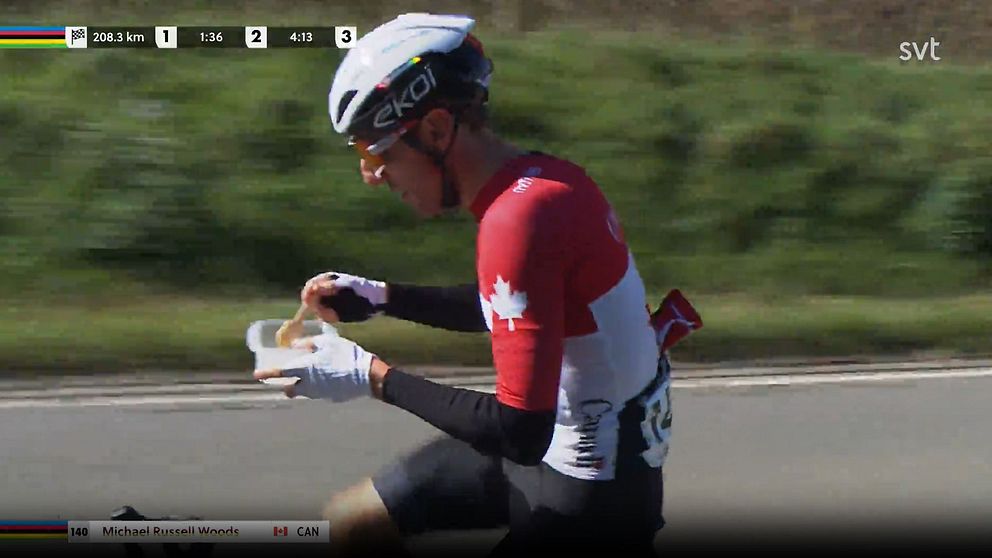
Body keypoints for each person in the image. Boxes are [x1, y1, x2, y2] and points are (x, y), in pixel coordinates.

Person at [252, 13, 675, 557]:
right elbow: (520, 310)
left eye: (377, 153)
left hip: (590, 499)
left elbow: (519, 431)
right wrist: (383, 298)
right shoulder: (543, 181)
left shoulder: (517, 221)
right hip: (560, 450)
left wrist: (369, 376)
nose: (371, 176)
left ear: (435, 130)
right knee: (351, 524)